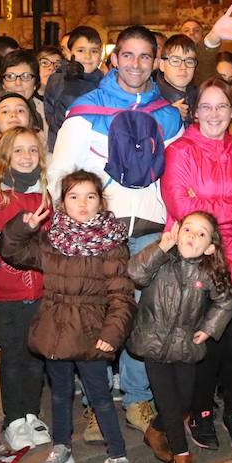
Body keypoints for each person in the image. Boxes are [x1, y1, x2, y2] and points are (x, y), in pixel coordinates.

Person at [49, 24, 182, 435]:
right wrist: (70, 232)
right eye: (128, 55)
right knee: (97, 318)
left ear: (156, 62)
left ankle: (138, 400)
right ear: (114, 59)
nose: (137, 64)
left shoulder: (168, 114)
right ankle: (96, 402)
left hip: (150, 231)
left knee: (141, 318)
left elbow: (175, 177)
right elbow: (60, 175)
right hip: (98, 234)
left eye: (145, 56)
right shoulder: (86, 111)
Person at [0, 170, 134, 463]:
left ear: (101, 201)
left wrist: (112, 334)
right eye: (73, 197)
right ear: (62, 202)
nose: (82, 204)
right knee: (59, 393)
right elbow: (11, 251)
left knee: (100, 397)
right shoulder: (52, 239)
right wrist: (24, 226)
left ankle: (118, 457)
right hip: (55, 330)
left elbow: (122, 296)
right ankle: (62, 448)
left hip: (90, 333)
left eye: (90, 196)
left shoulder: (111, 244)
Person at [161, 77, 232, 452]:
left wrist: (208, 205)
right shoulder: (180, 152)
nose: (215, 114)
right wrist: (230, 207)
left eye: (223, 106)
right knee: (206, 342)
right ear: (195, 110)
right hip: (196, 261)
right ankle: (201, 411)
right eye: (207, 106)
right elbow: (182, 209)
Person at [128, 212, 232, 463]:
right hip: (153, 342)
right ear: (177, 232)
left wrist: (210, 328)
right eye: (188, 229)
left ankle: (155, 430)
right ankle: (183, 458)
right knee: (168, 402)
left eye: (202, 234)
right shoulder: (161, 258)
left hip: (186, 346)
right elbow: (135, 274)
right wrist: (162, 246)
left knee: (184, 403)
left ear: (210, 247)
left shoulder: (208, 272)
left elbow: (226, 300)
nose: (192, 236)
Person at [0, 127, 52, 451]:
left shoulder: (46, 195)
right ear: (5, 156)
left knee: (35, 355)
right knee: (13, 356)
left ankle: (31, 414)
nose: (26, 157)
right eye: (18, 151)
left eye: (32, 150)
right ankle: (13, 418)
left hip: (41, 291)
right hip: (7, 291)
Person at [44, 26, 104, 151]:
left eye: (94, 51)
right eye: (81, 50)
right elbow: (53, 117)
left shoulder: (104, 82)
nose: (88, 56)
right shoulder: (59, 80)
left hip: (97, 150)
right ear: (69, 53)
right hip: (64, 149)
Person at [156, 33, 199, 124]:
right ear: (162, 65)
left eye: (189, 62)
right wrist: (168, 115)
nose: (183, 67)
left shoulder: (201, 98)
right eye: (175, 61)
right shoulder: (150, 99)